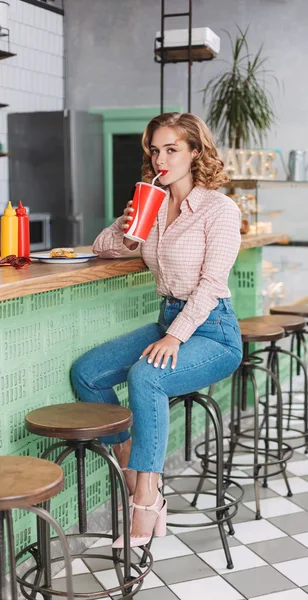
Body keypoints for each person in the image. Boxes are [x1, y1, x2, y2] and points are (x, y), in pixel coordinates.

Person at [70, 112, 243, 548]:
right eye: (155, 150)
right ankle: (131, 460)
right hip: (169, 320)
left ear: (195, 152)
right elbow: (102, 249)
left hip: (213, 331)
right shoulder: (154, 205)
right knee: (88, 373)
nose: (160, 159)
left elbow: (210, 286)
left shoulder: (219, 209)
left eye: (172, 149)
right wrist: (128, 227)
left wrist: (175, 336)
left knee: (146, 376)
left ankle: (147, 498)